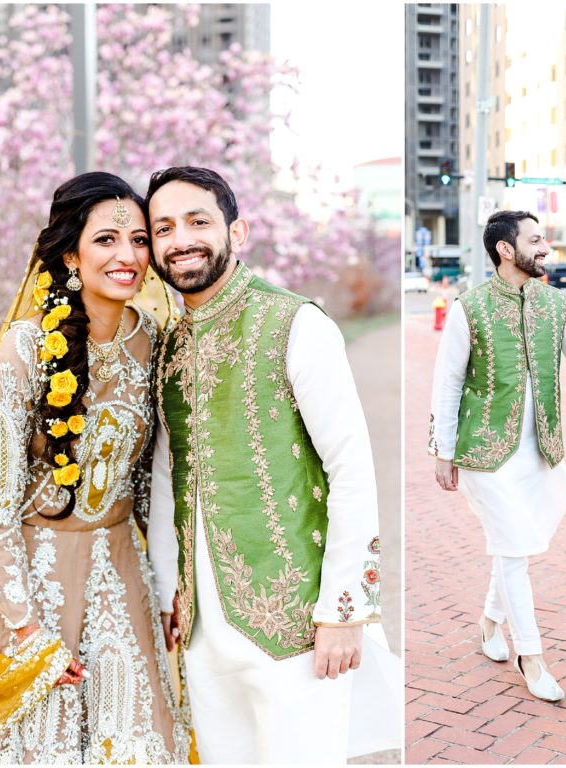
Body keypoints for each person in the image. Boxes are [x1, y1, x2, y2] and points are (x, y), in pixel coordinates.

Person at [0, 172, 190, 763]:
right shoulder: (24, 350)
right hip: (31, 582)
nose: (128, 256)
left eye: (137, 239)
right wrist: (30, 634)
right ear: (69, 253)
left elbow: (148, 481)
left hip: (120, 573)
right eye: (107, 239)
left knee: (138, 742)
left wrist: (168, 580)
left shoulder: (152, 339)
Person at [144, 166, 398, 763]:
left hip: (294, 622)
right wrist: (165, 590)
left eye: (198, 221)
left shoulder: (296, 323)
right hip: (203, 628)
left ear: (239, 231)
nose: (181, 238)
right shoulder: (171, 345)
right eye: (164, 228)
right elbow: (164, 476)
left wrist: (344, 609)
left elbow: (352, 470)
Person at [428, 210, 566, 702]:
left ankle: (488, 623)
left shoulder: (556, 305)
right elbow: (448, 381)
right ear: (505, 248)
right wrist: (443, 449)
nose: (545, 248)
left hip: (541, 450)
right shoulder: (469, 308)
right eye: (535, 240)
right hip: (483, 454)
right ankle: (532, 656)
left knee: (514, 545)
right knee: (515, 548)